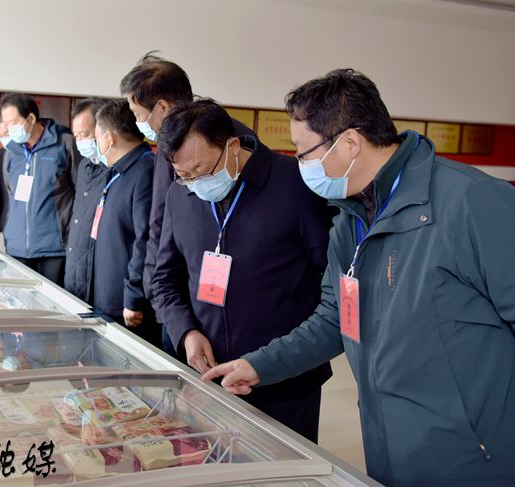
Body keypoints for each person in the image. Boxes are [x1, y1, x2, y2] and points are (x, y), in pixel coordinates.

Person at [202, 69, 515, 487]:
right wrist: (259, 365)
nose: (299, 164)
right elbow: (336, 318)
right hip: (389, 444)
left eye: (304, 152)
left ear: (350, 143)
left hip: (474, 458)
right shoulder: (350, 219)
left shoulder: (472, 202)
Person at [154, 99, 334, 442]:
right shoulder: (181, 195)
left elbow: (330, 278)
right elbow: (164, 279)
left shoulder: (296, 185)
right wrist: (185, 332)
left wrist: (280, 358)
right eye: (184, 175)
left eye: (202, 170)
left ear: (232, 146)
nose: (195, 183)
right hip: (209, 380)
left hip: (285, 383)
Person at [120, 51, 255, 355]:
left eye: (138, 114)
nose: (138, 123)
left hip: (201, 302)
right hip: (177, 300)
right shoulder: (171, 144)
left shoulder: (219, 143)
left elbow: (158, 224)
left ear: (162, 107)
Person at [90, 99, 159, 346]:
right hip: (108, 295)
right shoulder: (118, 171)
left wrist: (133, 296)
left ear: (109, 138)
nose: (96, 145)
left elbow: (145, 239)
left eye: (96, 138)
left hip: (127, 306)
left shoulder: (146, 171)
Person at [0, 93, 81, 285]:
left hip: (54, 248)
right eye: (6, 123)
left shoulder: (64, 143)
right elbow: (10, 190)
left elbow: (81, 190)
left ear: (30, 118)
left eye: (13, 122)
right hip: (17, 248)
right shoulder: (11, 152)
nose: (9, 129)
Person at [64, 97, 109, 302]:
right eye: (76, 136)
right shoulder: (84, 166)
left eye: (85, 134)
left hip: (98, 272)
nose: (80, 141)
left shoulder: (113, 169)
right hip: (76, 265)